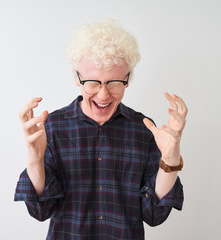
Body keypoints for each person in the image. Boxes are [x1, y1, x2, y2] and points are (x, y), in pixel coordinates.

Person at [14, 20, 188, 240]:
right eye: (93, 82)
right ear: (77, 78)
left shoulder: (143, 129)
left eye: (114, 82)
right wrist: (34, 159)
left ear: (127, 79)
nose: (104, 95)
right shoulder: (53, 127)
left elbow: (153, 214)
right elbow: (41, 210)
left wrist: (171, 160)